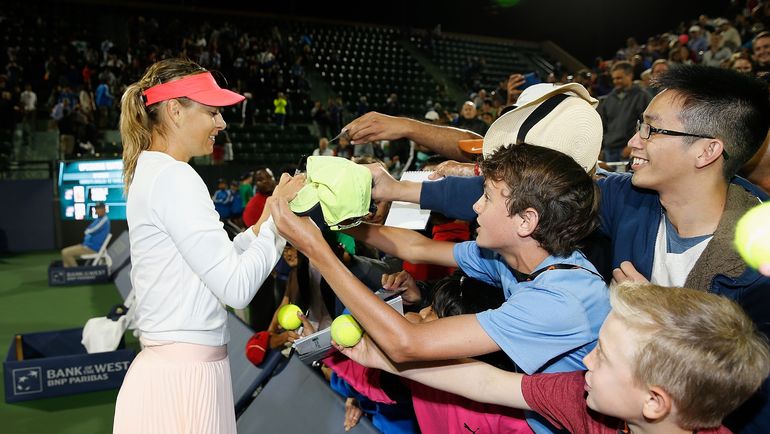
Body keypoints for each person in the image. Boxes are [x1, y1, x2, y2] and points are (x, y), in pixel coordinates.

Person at [356, 65, 770, 433]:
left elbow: (748, 399)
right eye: (639, 126)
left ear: (707, 150)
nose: (633, 141)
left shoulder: (759, 266)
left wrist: (663, 320)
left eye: (652, 130)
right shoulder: (629, 197)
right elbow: (524, 195)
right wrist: (399, 189)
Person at [270, 143, 609, 433]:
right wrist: (334, 220)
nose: (476, 206)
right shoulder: (519, 258)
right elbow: (416, 248)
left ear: (526, 220)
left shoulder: (560, 301)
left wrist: (317, 248)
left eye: (488, 198)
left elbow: (407, 343)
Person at [113, 58, 304, 434]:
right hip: (185, 379)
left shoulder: (154, 171)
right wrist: (279, 221)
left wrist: (264, 220)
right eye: (212, 112)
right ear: (175, 111)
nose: (222, 123)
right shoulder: (175, 176)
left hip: (173, 372)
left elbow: (213, 263)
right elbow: (236, 288)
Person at [337, 282, 770, 434]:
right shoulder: (584, 400)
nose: (587, 361)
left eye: (604, 357)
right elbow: (488, 382)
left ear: (654, 402)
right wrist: (385, 360)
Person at [324, 273, 530, 433]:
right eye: (429, 306)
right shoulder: (423, 371)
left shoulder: (510, 412)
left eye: (432, 312)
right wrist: (329, 351)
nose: (422, 311)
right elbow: (376, 384)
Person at [61, 201, 110, 267]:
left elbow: (90, 230)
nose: (97, 210)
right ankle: (68, 273)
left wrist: (88, 231)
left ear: (104, 209)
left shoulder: (104, 219)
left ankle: (77, 271)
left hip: (92, 248)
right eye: (96, 208)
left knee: (65, 253)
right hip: (86, 246)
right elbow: (89, 229)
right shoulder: (98, 219)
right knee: (65, 253)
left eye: (99, 208)